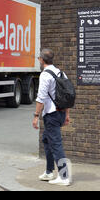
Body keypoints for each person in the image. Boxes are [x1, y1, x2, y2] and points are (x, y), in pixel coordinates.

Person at [32, 49, 72, 186]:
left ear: (41, 60)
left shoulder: (45, 75)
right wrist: (66, 115)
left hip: (51, 115)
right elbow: (67, 96)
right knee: (46, 140)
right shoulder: (61, 73)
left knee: (56, 144)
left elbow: (41, 97)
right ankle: (49, 171)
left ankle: (64, 176)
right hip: (60, 113)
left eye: (39, 58)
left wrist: (36, 116)